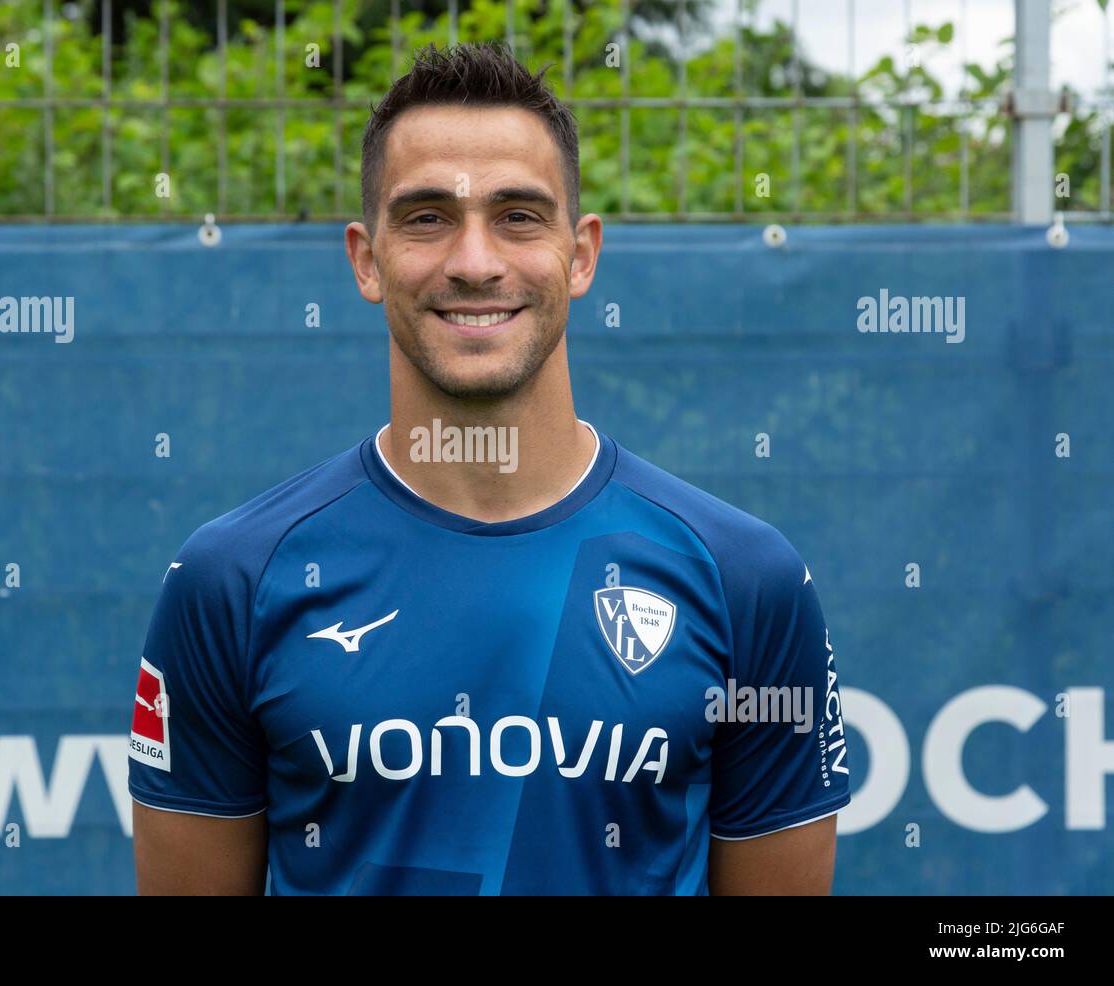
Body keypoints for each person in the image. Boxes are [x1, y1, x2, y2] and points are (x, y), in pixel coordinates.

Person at [129, 40, 849, 895]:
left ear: (581, 255)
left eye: (518, 216)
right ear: (366, 259)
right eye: (428, 217)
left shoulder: (746, 579)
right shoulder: (230, 581)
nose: (475, 263)